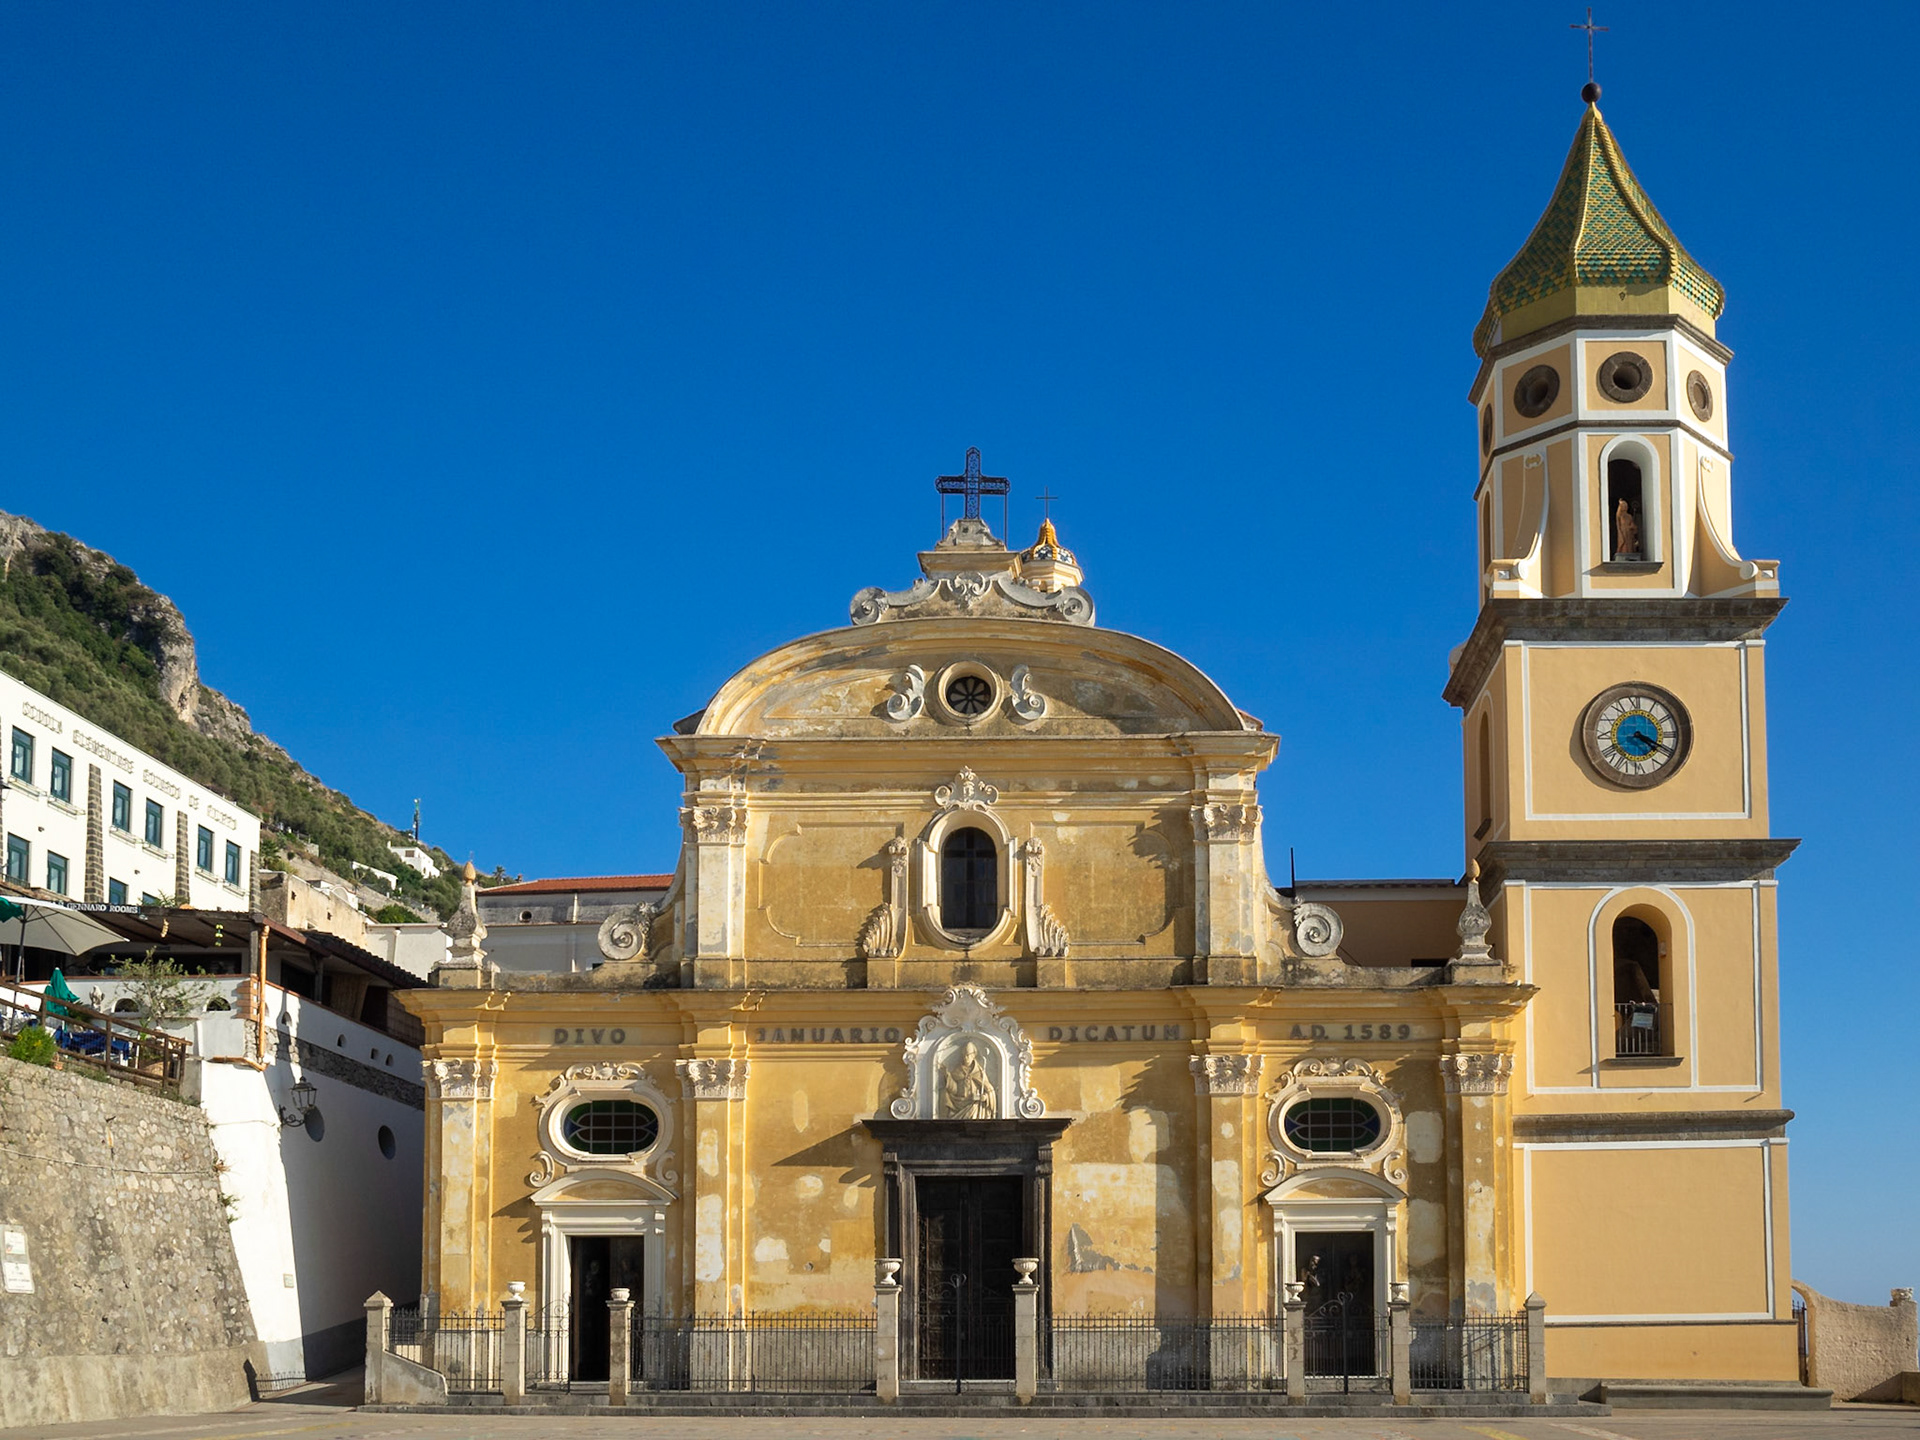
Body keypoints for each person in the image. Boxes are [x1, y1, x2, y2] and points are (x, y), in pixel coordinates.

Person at [942, 1040, 996, 1120]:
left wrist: (985, 1097)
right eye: (964, 1055)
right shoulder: (958, 1071)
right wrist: (948, 1077)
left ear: (973, 1055)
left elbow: (990, 1090)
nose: (965, 1057)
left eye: (968, 1055)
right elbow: (955, 1090)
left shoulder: (979, 1072)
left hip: (974, 1106)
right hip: (959, 1103)